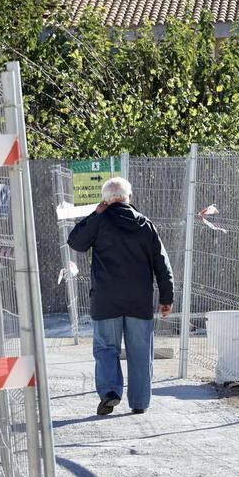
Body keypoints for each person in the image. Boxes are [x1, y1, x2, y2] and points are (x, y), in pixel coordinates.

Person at [67, 177, 174, 416]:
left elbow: (75, 241)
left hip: (106, 301)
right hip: (139, 302)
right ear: (129, 197)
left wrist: (95, 214)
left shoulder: (100, 222)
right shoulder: (146, 225)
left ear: (106, 200)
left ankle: (110, 393)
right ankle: (139, 402)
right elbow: (162, 264)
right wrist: (166, 298)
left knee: (106, 349)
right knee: (140, 352)